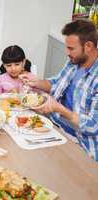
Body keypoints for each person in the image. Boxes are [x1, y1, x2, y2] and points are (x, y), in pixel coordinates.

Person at [20, 19, 98, 161]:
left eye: (71, 48)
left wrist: (59, 109)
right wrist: (37, 82)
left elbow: (93, 126)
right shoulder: (75, 61)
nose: (66, 52)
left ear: (88, 46)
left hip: (80, 144)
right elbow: (56, 83)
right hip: (55, 127)